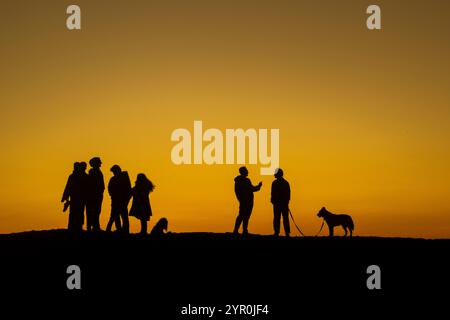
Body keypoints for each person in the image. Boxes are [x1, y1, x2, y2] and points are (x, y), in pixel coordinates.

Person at [233, 166, 262, 235]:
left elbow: (251, 189)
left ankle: (243, 230)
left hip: (247, 201)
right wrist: (259, 186)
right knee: (242, 216)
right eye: (246, 171)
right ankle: (237, 230)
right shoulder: (242, 181)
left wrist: (258, 186)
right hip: (245, 201)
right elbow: (251, 189)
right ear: (243, 172)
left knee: (246, 216)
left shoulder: (244, 180)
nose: (247, 172)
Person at [61, 161, 88, 232]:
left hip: (80, 197)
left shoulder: (83, 176)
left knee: (78, 212)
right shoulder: (74, 176)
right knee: (75, 212)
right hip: (75, 197)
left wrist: (65, 196)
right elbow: (68, 186)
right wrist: (65, 196)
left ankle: (77, 226)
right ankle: (73, 227)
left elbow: (68, 186)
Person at [106, 165, 132, 234]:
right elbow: (109, 188)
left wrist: (126, 199)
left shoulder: (123, 178)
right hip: (115, 200)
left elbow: (128, 190)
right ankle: (119, 229)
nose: (114, 173)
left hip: (122, 200)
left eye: (114, 171)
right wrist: (112, 195)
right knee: (116, 216)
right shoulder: (113, 179)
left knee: (122, 216)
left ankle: (125, 230)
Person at [86, 157, 105, 232]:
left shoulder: (96, 171)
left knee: (97, 211)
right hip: (95, 195)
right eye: (99, 162)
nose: (101, 163)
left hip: (98, 194)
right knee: (94, 211)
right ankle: (94, 227)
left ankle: (95, 226)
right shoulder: (93, 172)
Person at [271, 168, 291, 237]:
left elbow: (288, 194)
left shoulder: (275, 183)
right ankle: (286, 233)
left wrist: (273, 201)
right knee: (284, 218)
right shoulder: (285, 183)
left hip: (279, 204)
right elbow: (288, 194)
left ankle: (277, 232)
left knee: (278, 218)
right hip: (281, 204)